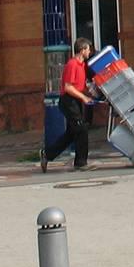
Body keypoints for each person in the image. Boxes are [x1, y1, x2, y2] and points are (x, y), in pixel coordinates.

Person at [40, 37, 96, 172]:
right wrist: (84, 97)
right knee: (81, 129)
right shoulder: (72, 64)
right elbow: (68, 87)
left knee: (72, 133)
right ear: (82, 50)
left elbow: (83, 83)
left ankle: (47, 154)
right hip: (68, 101)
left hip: (75, 100)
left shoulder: (83, 65)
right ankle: (81, 163)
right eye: (88, 49)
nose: (90, 52)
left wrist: (91, 92)